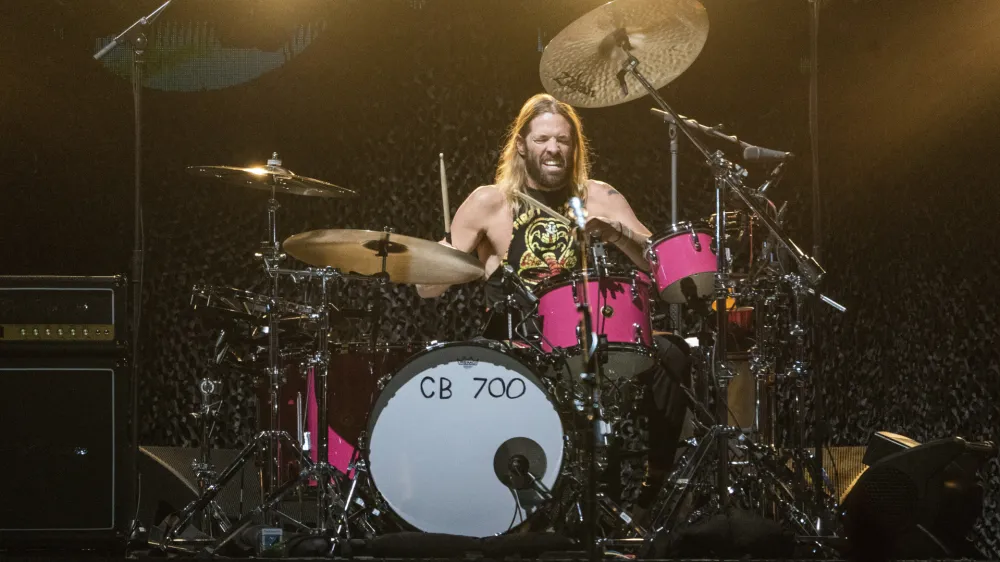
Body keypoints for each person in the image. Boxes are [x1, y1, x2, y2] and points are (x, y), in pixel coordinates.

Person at [416, 93, 690, 522]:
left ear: (574, 147)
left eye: (563, 140)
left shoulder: (599, 196)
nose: (554, 149)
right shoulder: (491, 202)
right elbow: (426, 289)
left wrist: (618, 233)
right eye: (543, 138)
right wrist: (437, 260)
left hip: (593, 343)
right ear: (522, 144)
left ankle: (655, 486)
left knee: (672, 354)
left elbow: (663, 268)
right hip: (520, 348)